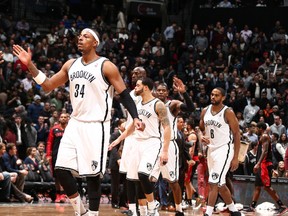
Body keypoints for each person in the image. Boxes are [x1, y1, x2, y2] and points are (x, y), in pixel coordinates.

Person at [12, 28, 143, 216]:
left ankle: (93, 213)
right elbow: (48, 86)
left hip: (96, 125)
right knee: (60, 170)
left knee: (92, 176)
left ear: (95, 43)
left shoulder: (106, 66)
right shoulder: (71, 65)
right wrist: (30, 65)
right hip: (75, 122)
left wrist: (136, 117)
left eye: (85, 36)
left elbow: (124, 95)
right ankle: (80, 211)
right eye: (79, 36)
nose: (80, 39)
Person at [110, 77, 171, 216]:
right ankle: (146, 209)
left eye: (137, 85)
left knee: (143, 175)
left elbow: (167, 128)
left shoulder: (158, 104)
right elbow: (132, 127)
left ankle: (152, 204)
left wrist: (165, 150)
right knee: (134, 179)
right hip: (137, 142)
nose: (134, 88)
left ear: (146, 88)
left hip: (152, 142)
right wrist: (118, 139)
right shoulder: (137, 105)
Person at [153, 78, 195, 215]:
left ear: (167, 93)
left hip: (169, 144)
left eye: (163, 90)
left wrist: (184, 93)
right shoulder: (150, 104)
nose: (160, 92)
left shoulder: (172, 105)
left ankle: (178, 209)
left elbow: (191, 108)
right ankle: (146, 208)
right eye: (158, 90)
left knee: (173, 181)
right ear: (154, 91)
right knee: (144, 177)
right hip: (152, 143)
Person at [198, 87, 241, 216]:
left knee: (213, 182)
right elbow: (200, 128)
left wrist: (235, 157)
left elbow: (237, 134)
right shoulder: (205, 111)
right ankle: (234, 211)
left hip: (224, 149)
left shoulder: (228, 112)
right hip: (211, 150)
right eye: (211, 94)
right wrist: (201, 135)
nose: (213, 97)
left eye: (216, 95)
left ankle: (208, 213)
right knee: (220, 184)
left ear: (223, 98)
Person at [245, 122, 288, 215]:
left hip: (264, 165)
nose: (255, 129)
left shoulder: (265, 136)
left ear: (260, 128)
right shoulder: (262, 137)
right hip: (261, 165)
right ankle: (252, 206)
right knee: (257, 186)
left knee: (267, 187)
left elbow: (264, 152)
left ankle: (282, 206)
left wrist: (258, 164)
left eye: (256, 127)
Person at [46, 113, 69, 203]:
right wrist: (48, 155)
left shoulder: (70, 129)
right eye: (62, 117)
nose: (63, 118)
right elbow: (49, 143)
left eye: (65, 117)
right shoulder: (54, 129)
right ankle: (58, 194)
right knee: (57, 176)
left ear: (68, 119)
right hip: (56, 154)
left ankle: (64, 194)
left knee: (65, 175)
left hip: (67, 154)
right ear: (59, 119)